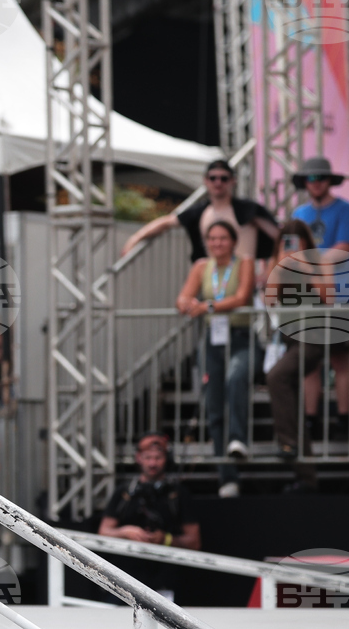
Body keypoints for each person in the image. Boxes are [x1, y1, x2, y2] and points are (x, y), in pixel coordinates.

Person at [175, 221, 254, 498]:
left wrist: (207, 306)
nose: (217, 243)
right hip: (213, 339)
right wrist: (187, 304)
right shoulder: (201, 266)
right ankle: (226, 476)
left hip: (240, 335)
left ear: (233, 241)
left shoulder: (244, 263)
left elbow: (242, 296)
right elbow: (183, 297)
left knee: (236, 377)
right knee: (214, 405)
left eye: (222, 238)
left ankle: (238, 439)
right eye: (212, 238)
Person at [291, 156, 349, 438]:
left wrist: (309, 262)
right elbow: (291, 253)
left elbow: (344, 248)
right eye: (311, 178)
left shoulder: (346, 210)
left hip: (340, 294)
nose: (316, 183)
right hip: (308, 296)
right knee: (310, 362)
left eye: (320, 177)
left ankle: (344, 419)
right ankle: (311, 420)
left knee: (340, 360)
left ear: (329, 181)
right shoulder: (299, 213)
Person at [98, 433, 200, 601]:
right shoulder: (125, 493)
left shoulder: (178, 494)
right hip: (125, 581)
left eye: (158, 458)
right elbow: (104, 531)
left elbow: (194, 541)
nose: (153, 463)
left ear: (167, 458)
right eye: (148, 457)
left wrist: (166, 539)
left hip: (165, 582)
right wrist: (126, 532)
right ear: (138, 458)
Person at [265, 220, 328, 493]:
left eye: (296, 241)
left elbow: (328, 295)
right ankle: (307, 476)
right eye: (286, 241)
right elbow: (268, 299)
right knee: (291, 398)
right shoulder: (277, 263)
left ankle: (288, 442)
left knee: (276, 377)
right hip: (289, 339)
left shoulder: (318, 261)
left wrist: (304, 265)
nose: (291, 246)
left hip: (314, 336)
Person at [121, 160, 279, 263]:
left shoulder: (248, 209)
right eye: (213, 178)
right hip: (215, 282)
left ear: (232, 181)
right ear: (205, 180)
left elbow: (279, 236)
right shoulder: (200, 211)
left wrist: (271, 267)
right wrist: (134, 239)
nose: (218, 182)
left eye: (223, 178)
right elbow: (166, 222)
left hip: (247, 281)